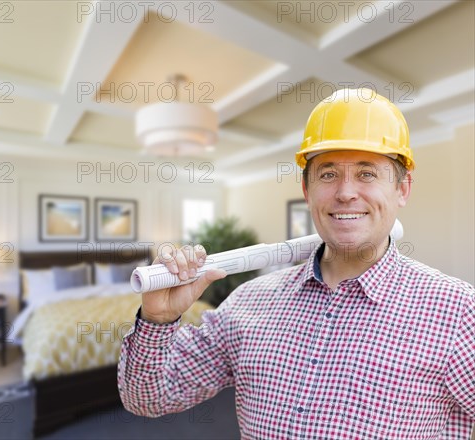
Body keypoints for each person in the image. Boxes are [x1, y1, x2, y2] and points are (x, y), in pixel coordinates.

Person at [118, 88, 475, 439]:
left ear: (403, 189)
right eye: (328, 174)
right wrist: (158, 320)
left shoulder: (457, 311)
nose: (346, 192)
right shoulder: (248, 302)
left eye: (367, 173)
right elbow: (147, 400)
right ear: (307, 190)